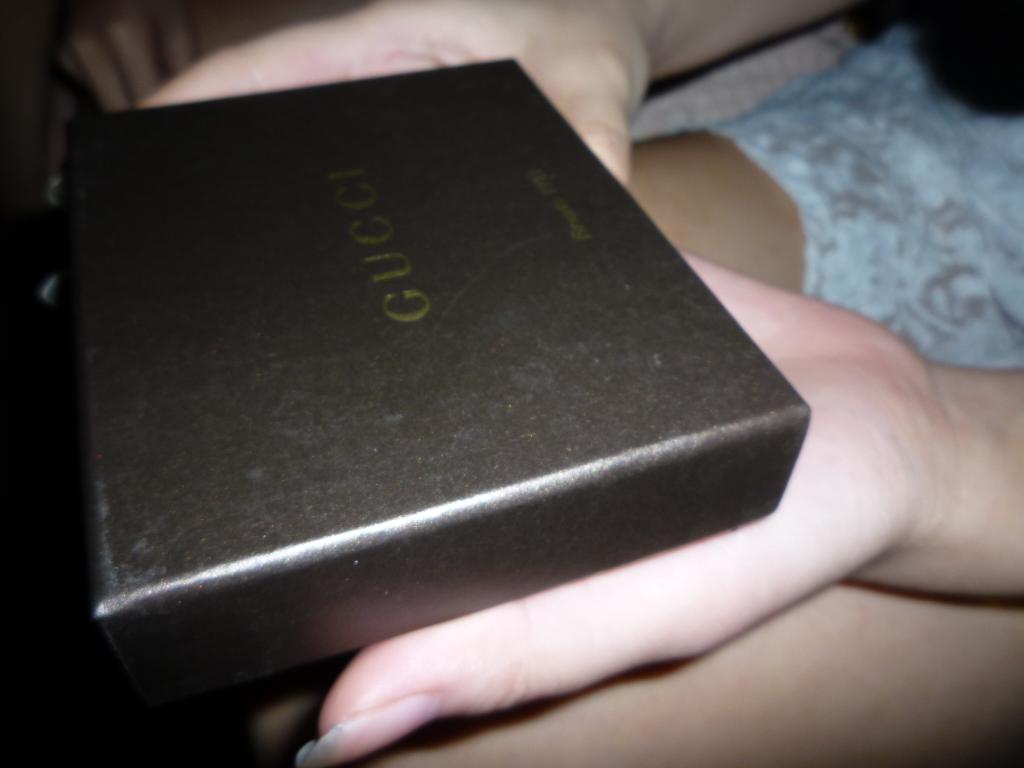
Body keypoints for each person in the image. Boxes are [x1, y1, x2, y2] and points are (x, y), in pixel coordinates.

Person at [59, 0, 1024, 765]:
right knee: (329, 345)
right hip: (945, 157)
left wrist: (951, 449)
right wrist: (610, 16)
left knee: (390, 736)